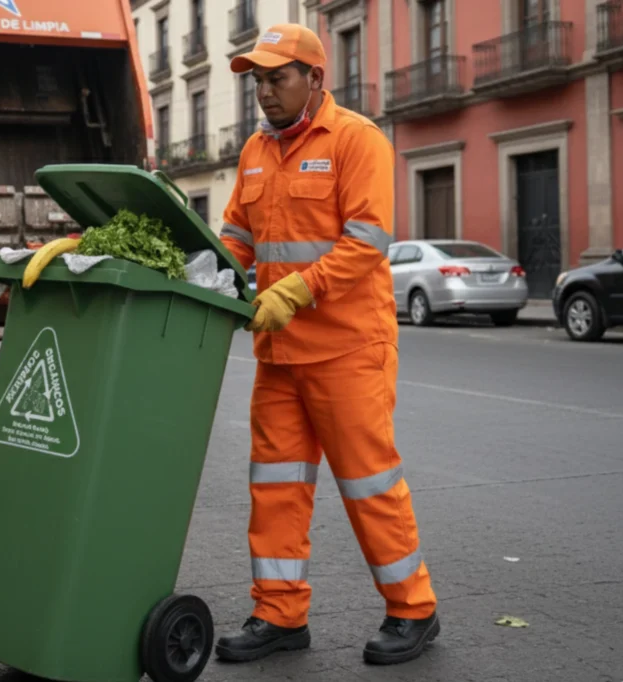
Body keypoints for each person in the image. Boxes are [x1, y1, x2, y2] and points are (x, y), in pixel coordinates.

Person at [214, 23, 440, 666]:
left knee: (369, 484)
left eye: (277, 78)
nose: (264, 91)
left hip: (347, 349)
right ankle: (279, 613)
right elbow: (236, 236)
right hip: (279, 354)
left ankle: (413, 609)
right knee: (276, 486)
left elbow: (367, 241)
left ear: (315, 78)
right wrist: (208, 277)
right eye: (258, 81)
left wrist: (294, 290)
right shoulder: (255, 150)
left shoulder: (356, 139)